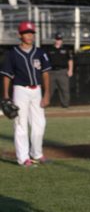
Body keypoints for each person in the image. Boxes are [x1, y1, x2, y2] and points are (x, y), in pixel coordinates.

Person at [1, 21, 51, 167]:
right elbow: (6, 76)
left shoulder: (41, 52)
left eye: (31, 33)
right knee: (20, 124)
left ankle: (37, 153)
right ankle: (23, 158)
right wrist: (5, 95)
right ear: (20, 35)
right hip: (20, 90)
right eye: (26, 33)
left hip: (37, 90)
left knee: (40, 124)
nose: (29, 35)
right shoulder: (12, 54)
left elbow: (46, 74)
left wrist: (47, 94)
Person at [47, 33, 73, 108]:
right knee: (49, 90)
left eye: (60, 39)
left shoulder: (66, 49)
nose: (59, 41)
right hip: (52, 72)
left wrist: (70, 70)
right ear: (55, 40)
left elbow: (70, 60)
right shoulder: (50, 49)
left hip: (63, 71)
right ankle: (46, 103)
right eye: (57, 39)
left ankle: (65, 105)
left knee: (64, 89)